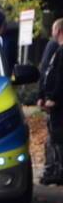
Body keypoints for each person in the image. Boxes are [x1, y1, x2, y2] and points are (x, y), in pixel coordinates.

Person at [40, 17, 63, 187]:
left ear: (58, 31)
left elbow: (57, 77)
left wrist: (52, 98)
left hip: (57, 104)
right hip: (55, 101)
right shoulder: (57, 49)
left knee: (56, 138)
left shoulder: (58, 51)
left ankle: (56, 171)